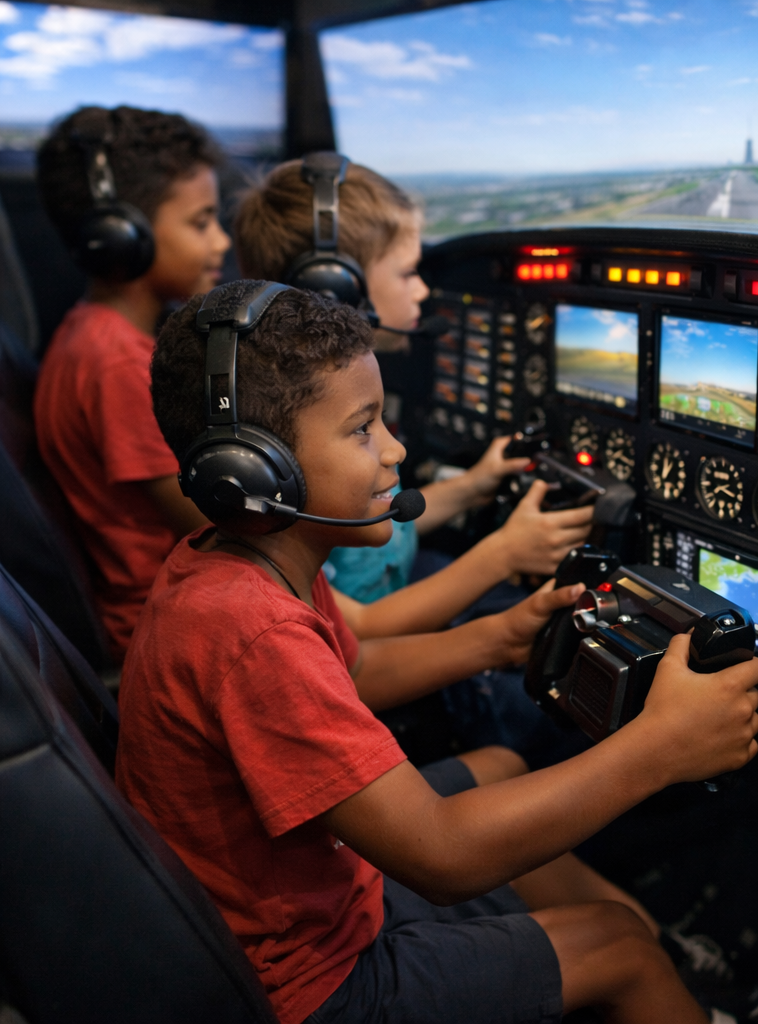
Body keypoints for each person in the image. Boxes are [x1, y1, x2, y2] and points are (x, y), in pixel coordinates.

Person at [116, 280, 758, 1024]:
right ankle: (660, 973)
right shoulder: (252, 634)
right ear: (258, 474)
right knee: (615, 948)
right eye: (362, 430)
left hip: (302, 896)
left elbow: (355, 671)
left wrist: (499, 634)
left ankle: (670, 953)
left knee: (499, 767)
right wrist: (663, 748)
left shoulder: (240, 566)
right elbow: (443, 859)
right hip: (311, 987)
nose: (396, 450)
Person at [235, 158, 593, 758]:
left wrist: (475, 486)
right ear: (335, 289)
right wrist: (503, 552)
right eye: (408, 272)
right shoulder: (292, 441)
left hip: (400, 590)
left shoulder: (327, 418)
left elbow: (371, 514)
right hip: (384, 663)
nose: (424, 289)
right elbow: (361, 634)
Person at [34, 105, 226, 661]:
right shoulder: (118, 365)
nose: (219, 242)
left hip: (179, 606)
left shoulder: (90, 333)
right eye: (200, 222)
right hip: (169, 629)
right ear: (122, 237)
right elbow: (222, 521)